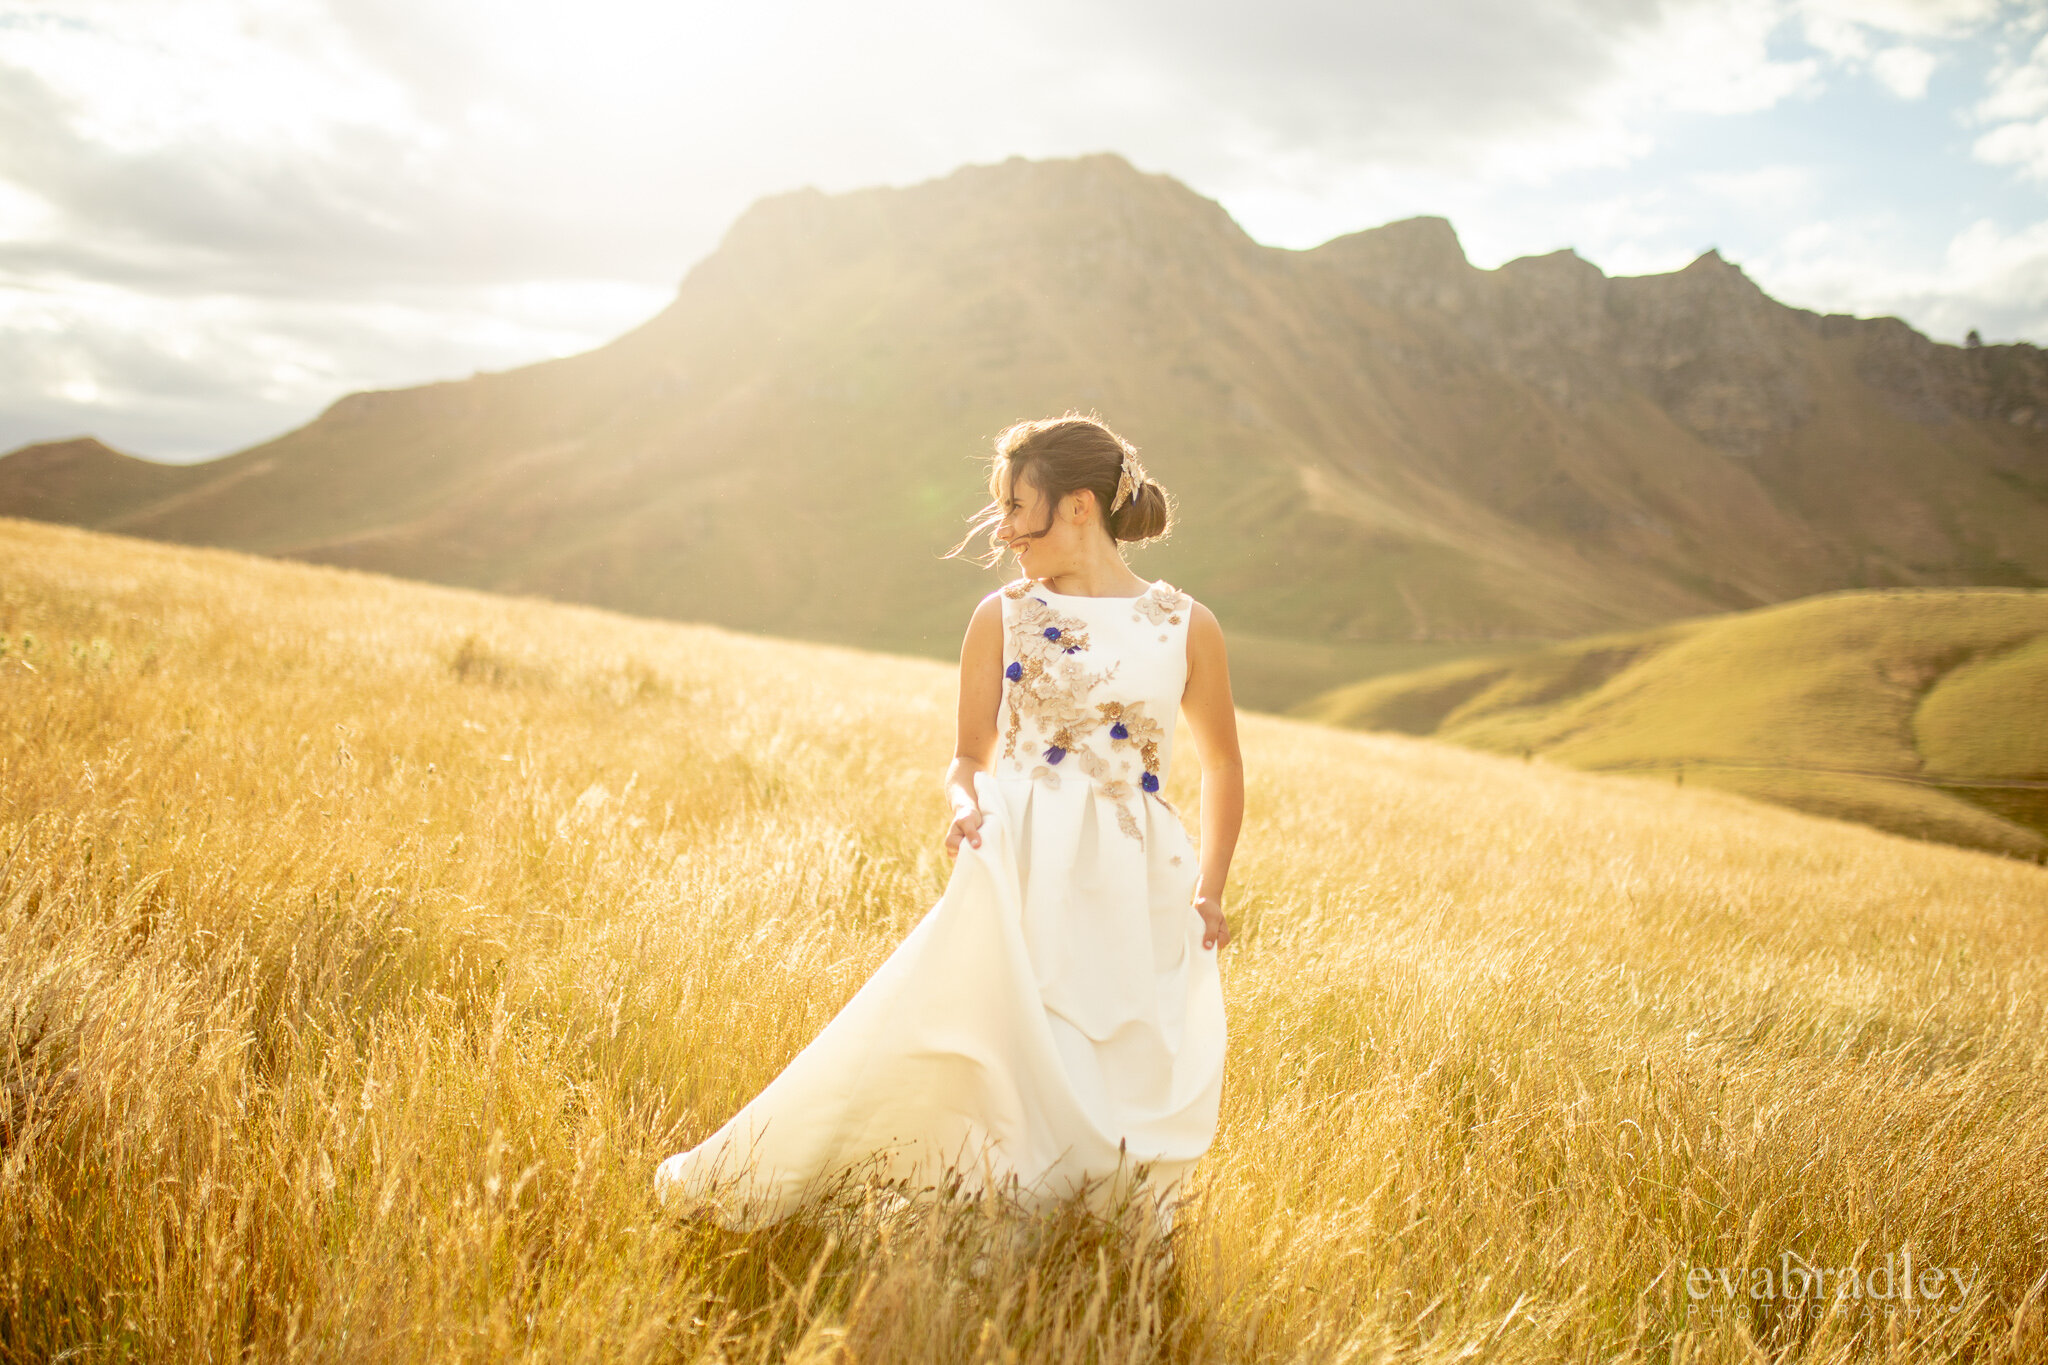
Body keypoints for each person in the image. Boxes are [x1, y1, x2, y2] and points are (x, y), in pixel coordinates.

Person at [654, 414, 1241, 1229]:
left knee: (1128, 1058)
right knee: (1008, 1048)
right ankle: (984, 1218)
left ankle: (1103, 1235)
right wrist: (967, 807)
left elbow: (1221, 764)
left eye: (1016, 506)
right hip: (1024, 859)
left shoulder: (1186, 624)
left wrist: (1210, 888)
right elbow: (969, 755)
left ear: (1078, 506)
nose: (1003, 529)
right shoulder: (1002, 616)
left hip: (1139, 878)